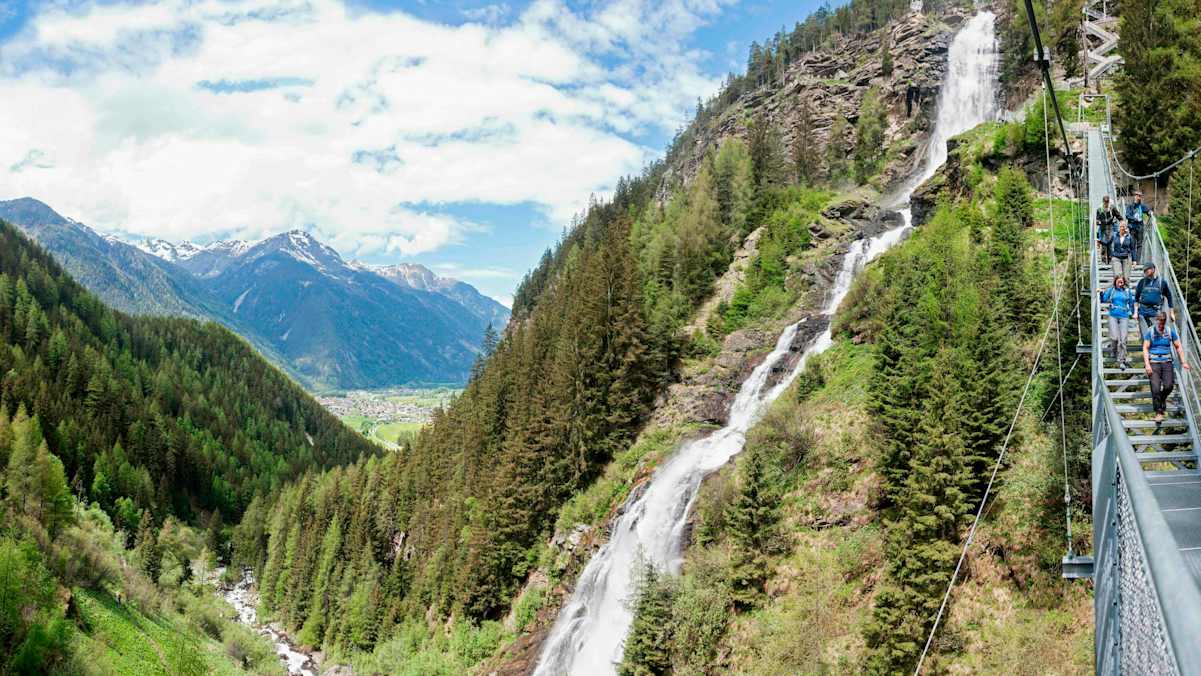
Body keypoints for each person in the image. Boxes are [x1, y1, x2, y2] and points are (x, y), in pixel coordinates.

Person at [1143, 313, 1190, 424]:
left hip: (1167, 362)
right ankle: (1159, 413)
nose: (1161, 326)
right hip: (1154, 362)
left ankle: (1161, 398)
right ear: (1156, 321)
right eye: (1159, 323)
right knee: (1155, 388)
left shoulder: (1169, 331)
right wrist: (1147, 364)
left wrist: (1183, 362)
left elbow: (1178, 346)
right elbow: (1145, 348)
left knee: (1169, 386)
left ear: (1165, 322)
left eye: (1162, 324)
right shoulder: (1150, 332)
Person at [1100, 274, 1135, 369]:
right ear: (1115, 282)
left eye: (1122, 282)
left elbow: (1131, 303)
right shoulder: (1111, 290)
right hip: (1113, 315)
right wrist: (1101, 293)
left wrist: (1133, 313)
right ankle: (1114, 350)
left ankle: (1122, 360)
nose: (1120, 283)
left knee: (1123, 339)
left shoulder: (1127, 291)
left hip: (1124, 316)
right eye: (1119, 281)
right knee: (1115, 337)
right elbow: (1103, 299)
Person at [1134, 262, 1174, 331]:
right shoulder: (1142, 282)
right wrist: (1135, 312)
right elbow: (1136, 298)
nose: (1145, 271)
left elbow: (1169, 297)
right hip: (1143, 312)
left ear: (1153, 269)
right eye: (1144, 270)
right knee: (1145, 335)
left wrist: (1172, 312)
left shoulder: (1162, 282)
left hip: (1156, 313)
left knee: (1156, 333)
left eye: (1147, 269)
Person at [1126, 189, 1153, 262]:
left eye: (1140, 196)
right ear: (1135, 196)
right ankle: (1133, 260)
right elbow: (1127, 215)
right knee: (1132, 244)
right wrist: (1135, 219)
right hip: (1132, 227)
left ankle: (1137, 261)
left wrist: (1150, 212)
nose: (1139, 197)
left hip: (1140, 227)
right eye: (1138, 196)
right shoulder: (1130, 206)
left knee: (1139, 244)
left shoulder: (1141, 206)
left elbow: (1147, 211)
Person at [1096, 195, 1122, 265]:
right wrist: (1097, 221)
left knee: (1110, 244)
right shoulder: (1099, 209)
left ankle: (1110, 261)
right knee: (1103, 244)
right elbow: (1097, 218)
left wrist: (1122, 221)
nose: (1106, 204)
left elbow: (1118, 215)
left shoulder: (1112, 208)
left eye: (1107, 202)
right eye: (1105, 202)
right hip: (1103, 227)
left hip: (1110, 227)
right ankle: (1104, 261)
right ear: (1103, 202)